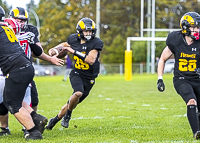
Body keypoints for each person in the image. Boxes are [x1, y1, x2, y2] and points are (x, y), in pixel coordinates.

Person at [0, 17, 64, 137]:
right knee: (11, 98)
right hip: (25, 66)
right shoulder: (6, 29)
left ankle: (34, 132)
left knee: (13, 103)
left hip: (16, 69)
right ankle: (36, 118)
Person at [45, 17, 103, 130]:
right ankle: (68, 116)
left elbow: (91, 60)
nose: (88, 33)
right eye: (86, 31)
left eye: (90, 31)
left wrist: (74, 52)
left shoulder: (96, 43)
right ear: (80, 32)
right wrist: (55, 49)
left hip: (90, 78)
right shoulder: (74, 39)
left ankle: (54, 120)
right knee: (78, 93)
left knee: (70, 103)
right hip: (77, 73)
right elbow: (65, 44)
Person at [157, 12, 200, 140]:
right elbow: (162, 59)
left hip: (197, 79)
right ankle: (196, 132)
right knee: (191, 101)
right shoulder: (175, 39)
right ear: (186, 27)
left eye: (198, 27)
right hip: (182, 79)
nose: (197, 30)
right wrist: (160, 79)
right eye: (195, 27)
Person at [9, 7, 42, 112]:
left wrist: (31, 41)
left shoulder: (30, 31)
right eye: (18, 20)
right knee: (5, 101)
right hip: (8, 69)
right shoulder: (5, 31)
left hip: (25, 68)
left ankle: (32, 123)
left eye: (23, 20)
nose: (21, 23)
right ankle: (4, 127)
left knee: (33, 99)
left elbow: (38, 52)